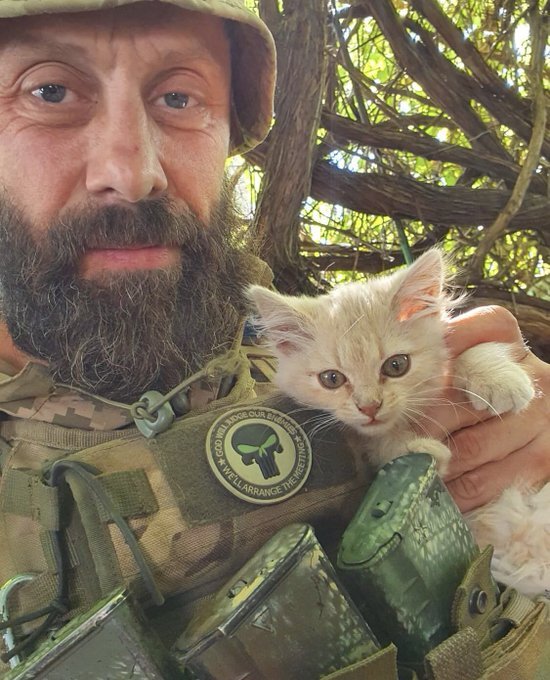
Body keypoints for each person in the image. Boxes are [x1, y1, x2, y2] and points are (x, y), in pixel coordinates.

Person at [0, 0, 547, 676]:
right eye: (49, 91)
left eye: (179, 96)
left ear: (232, 134)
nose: (132, 170)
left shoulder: (306, 350)